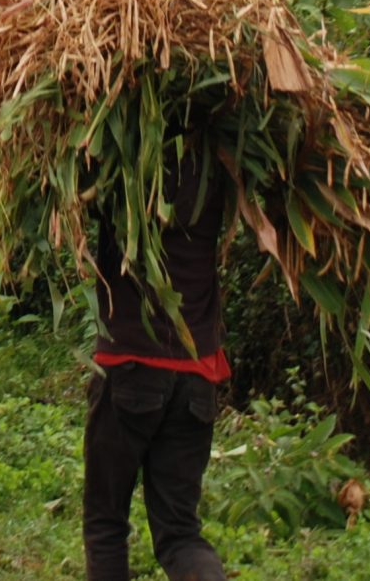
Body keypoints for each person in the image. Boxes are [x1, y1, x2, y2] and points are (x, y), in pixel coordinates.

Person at [84, 138, 230, 581]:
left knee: (107, 522)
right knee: (181, 534)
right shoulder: (216, 163)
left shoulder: (124, 153)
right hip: (197, 377)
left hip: (131, 367)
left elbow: (76, 189)